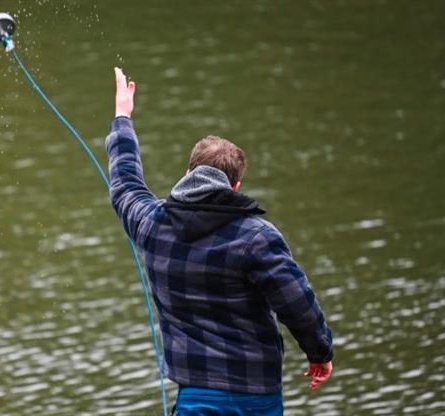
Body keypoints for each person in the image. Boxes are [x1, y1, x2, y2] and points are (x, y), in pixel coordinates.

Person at [105, 67, 334, 415]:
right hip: (256, 396)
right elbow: (296, 303)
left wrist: (123, 116)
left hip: (196, 397)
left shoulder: (151, 224)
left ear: (187, 174)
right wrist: (320, 353)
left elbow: (124, 181)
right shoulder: (258, 237)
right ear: (235, 187)